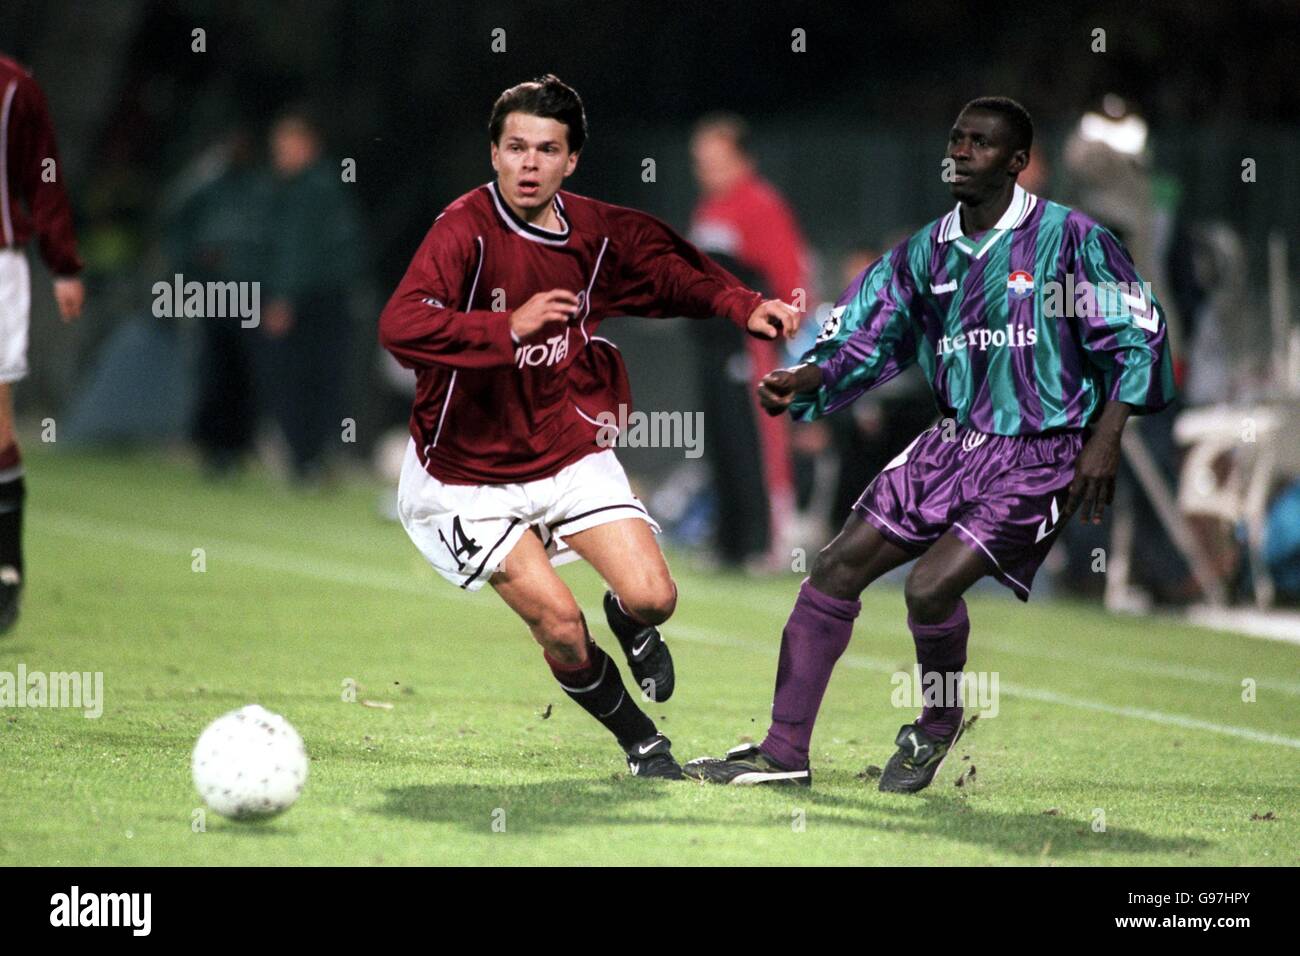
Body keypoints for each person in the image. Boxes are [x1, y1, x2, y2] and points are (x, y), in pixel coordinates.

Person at [684, 97, 1175, 792]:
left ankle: (937, 725)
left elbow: (1138, 332)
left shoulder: (1072, 240)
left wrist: (1106, 437)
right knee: (834, 568)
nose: (961, 152)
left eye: (980, 143)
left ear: (1016, 162)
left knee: (927, 588)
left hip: (1041, 453)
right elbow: (867, 331)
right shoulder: (925, 252)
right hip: (952, 445)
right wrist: (810, 374)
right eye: (955, 139)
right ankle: (783, 752)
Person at [378, 76, 799, 778]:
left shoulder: (596, 234)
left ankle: (630, 624)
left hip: (562, 449)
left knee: (654, 597)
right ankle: (642, 743)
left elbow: (672, 268)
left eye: (547, 149)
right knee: (562, 629)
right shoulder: (463, 230)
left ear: (571, 161)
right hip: (465, 477)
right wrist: (503, 326)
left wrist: (741, 305)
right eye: (515, 147)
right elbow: (401, 324)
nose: (529, 163)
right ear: (495, 153)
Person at [689, 114, 811, 568]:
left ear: (742, 159)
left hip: (750, 346)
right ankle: (732, 540)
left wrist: (781, 330)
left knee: (759, 440)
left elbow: (791, 278)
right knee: (723, 441)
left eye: (715, 160)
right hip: (714, 347)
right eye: (700, 160)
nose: (705, 169)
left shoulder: (761, 205)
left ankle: (769, 540)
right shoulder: (708, 210)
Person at [0, 53, 85, 633]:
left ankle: (6, 570)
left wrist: (64, 265)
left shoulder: (16, 87)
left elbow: (44, 173)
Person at [261, 109, 364, 483]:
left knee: (298, 379)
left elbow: (297, 250)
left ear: (309, 145)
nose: (280, 154)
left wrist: (283, 298)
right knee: (322, 381)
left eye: (287, 146)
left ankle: (306, 459)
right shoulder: (324, 186)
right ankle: (314, 458)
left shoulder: (309, 189)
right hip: (331, 298)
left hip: (311, 301)